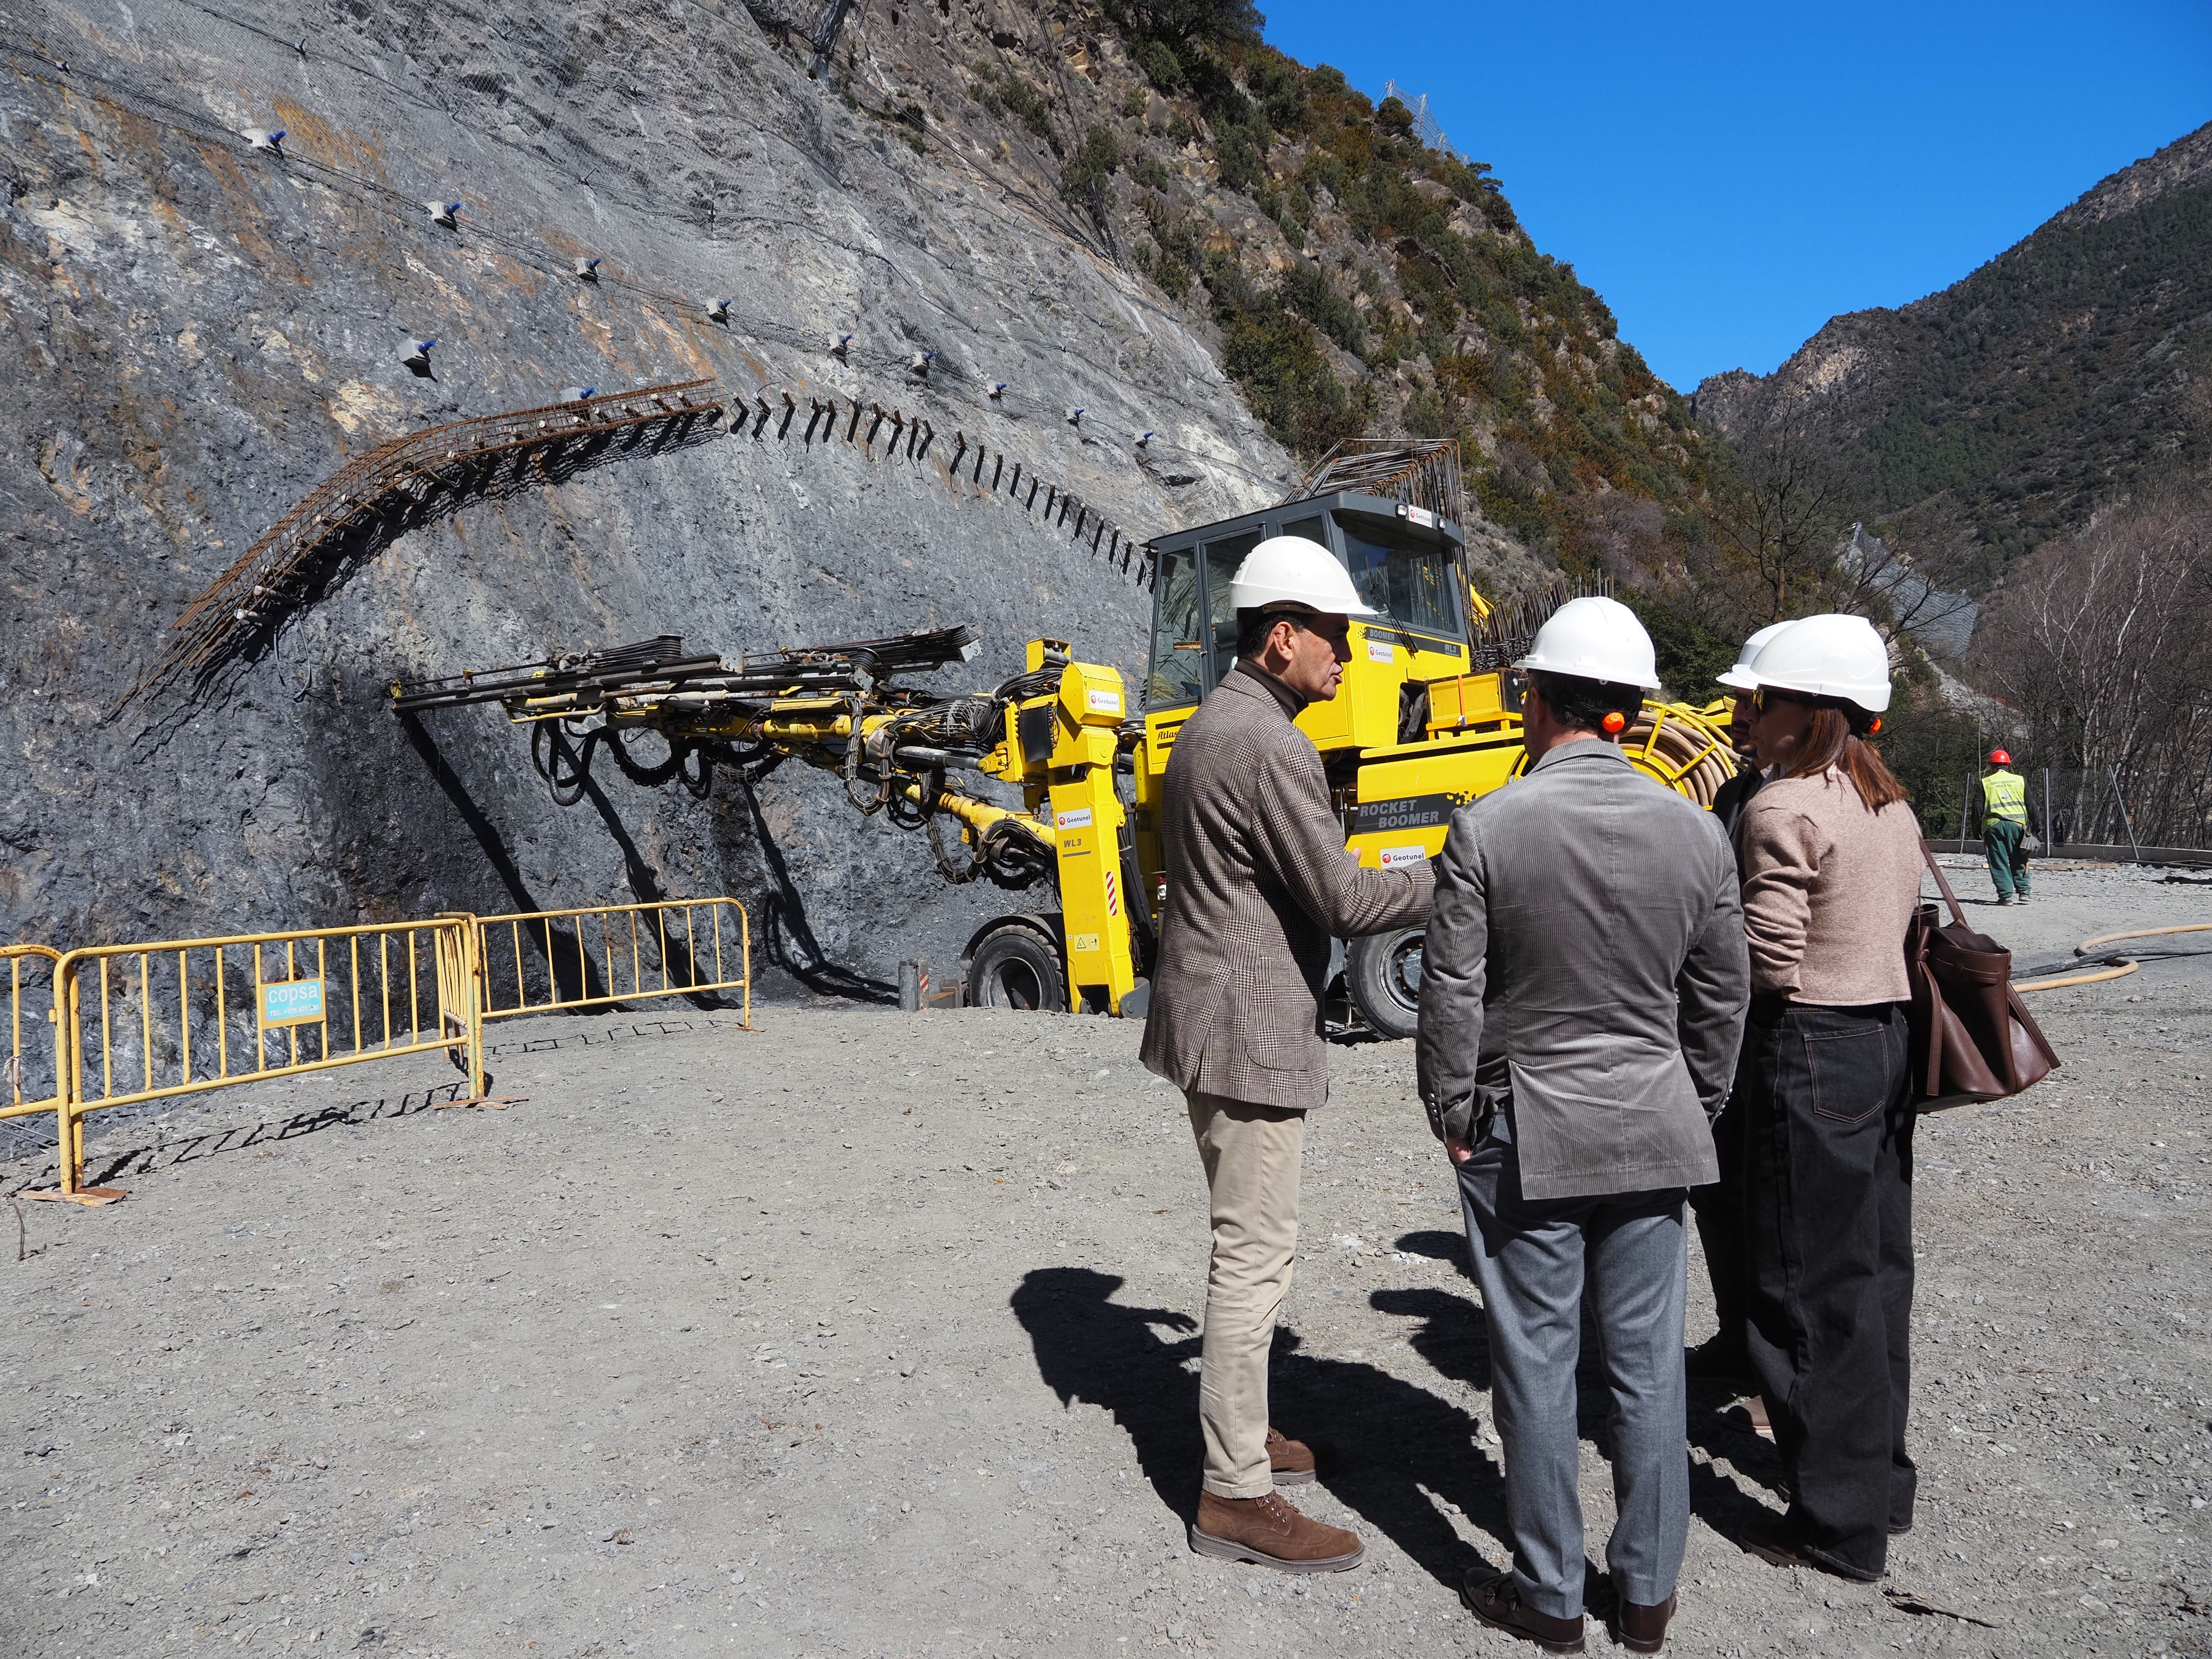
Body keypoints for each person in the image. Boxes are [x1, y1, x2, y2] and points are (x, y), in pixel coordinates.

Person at [1417, 596, 1749, 1655]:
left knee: (1535, 1360)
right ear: (1632, 707)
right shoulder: (1696, 833)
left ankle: (1552, 1596)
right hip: (1652, 1123)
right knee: (1649, 1367)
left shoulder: (1491, 822)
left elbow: (1451, 991)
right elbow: (1722, 995)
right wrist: (1693, 1102)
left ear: (1536, 698)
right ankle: (1646, 1598)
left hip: (1528, 1123)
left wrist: (1451, 1112)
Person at [1139, 534, 1435, 1574]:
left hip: (1212, 1019)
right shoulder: (1270, 745)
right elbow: (1347, 901)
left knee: (1246, 1246)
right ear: (1282, 638)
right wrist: (1456, 863)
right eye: (1336, 639)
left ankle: (1242, 1427)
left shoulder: (1213, 723)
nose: (1346, 660)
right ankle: (1233, 1488)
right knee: (1252, 1257)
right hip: (1247, 1031)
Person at [1728, 613, 1926, 1583]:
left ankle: (1837, 1524)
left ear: (1807, 713)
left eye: (1760, 700)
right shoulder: (1886, 801)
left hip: (1808, 1046)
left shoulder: (1778, 810)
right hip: (1885, 1044)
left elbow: (1765, 964)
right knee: (1878, 1270)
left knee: (1805, 1287)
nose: (1743, 715)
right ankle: (1881, 1483)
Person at [1685, 622, 1787, 1384]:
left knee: (1776, 1209)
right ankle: (1737, 1335)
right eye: (1734, 702)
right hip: (1725, 1030)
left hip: (1788, 1033)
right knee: (1716, 1189)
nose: (1735, 717)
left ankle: (1777, 1367)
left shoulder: (1819, 799)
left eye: (1749, 701)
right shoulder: (1733, 792)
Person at [1981, 749, 2031, 905]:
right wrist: (2037, 825)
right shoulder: (2020, 781)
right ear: (2008, 765)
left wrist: (1975, 827)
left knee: (1999, 861)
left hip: (1993, 826)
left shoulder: (1986, 782)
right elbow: (2031, 804)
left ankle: (2006, 897)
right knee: (2021, 858)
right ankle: (2024, 894)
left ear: (1991, 766)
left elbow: (1977, 807)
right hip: (2017, 826)